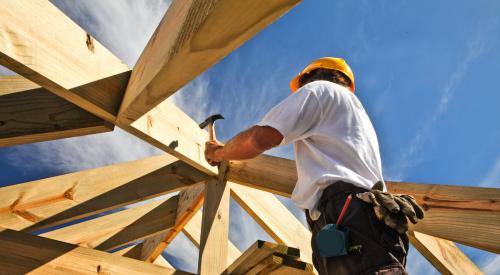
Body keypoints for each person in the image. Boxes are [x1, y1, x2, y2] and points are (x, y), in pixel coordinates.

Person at [204, 57, 412, 274]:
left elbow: (258, 139)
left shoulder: (319, 90)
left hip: (346, 215)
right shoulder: (355, 116)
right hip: (369, 221)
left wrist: (219, 152)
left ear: (307, 78)